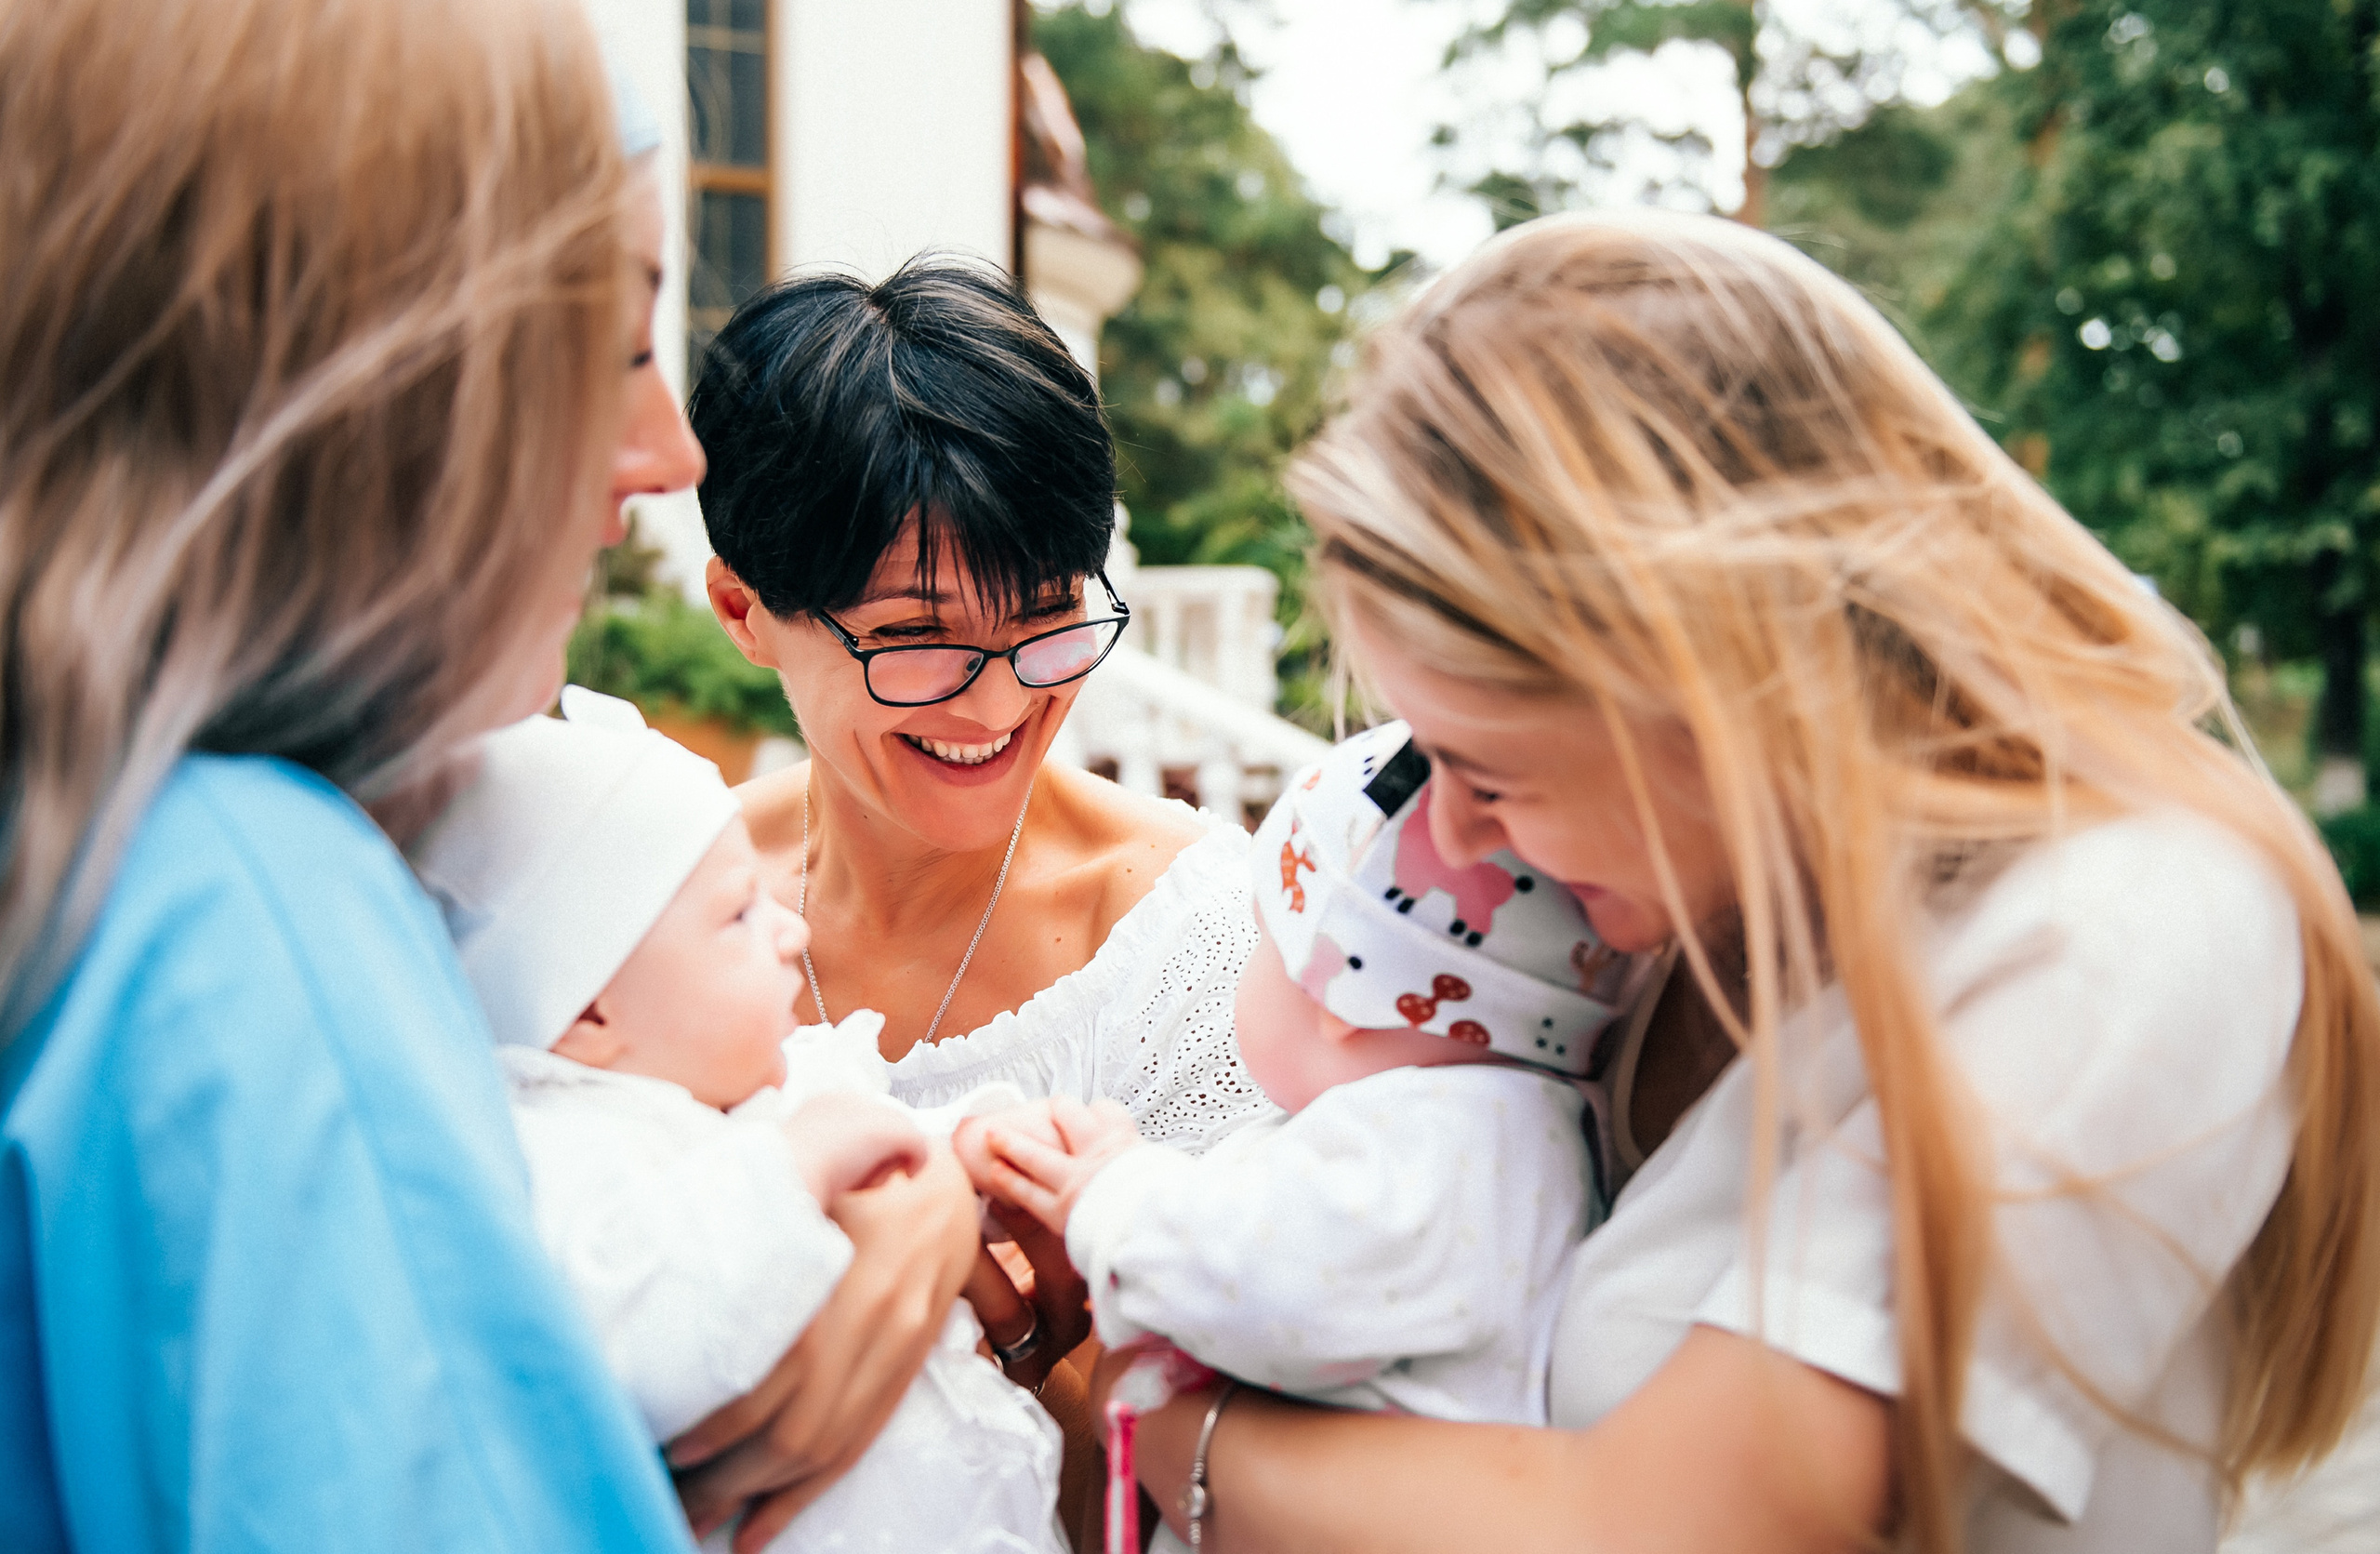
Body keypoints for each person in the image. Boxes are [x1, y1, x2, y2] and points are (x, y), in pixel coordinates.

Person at [1032, 210, 2380, 1554]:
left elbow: (1675, 1525)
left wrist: (1170, 1419)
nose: (1454, 836)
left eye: (1491, 769)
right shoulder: (1685, 931)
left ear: (1712, 677)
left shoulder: (2123, 921)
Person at [0, 3, 988, 1547]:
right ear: (363, 383)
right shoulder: (251, 903)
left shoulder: (93, 847)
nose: (670, 453)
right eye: (610, 352)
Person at [674, 259, 1278, 1534]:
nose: (998, 701)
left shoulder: (1201, 949)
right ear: (742, 607)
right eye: (917, 637)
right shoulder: (656, 911)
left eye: (1048, 617)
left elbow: (1210, 1490)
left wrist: (1020, 1345)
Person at [410, 693, 1065, 1554]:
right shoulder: (564, 1152)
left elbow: (890, 1143)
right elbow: (633, 1344)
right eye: (738, 914)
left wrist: (982, 1149)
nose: (791, 930)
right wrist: (792, 1169)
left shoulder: (768, 1082)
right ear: (590, 1012)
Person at [969, 717, 1646, 1459]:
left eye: (1265, 933)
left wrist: (1110, 1193)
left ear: (1340, 994)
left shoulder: (1447, 1143)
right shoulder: (1495, 1129)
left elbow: (1262, 1283)